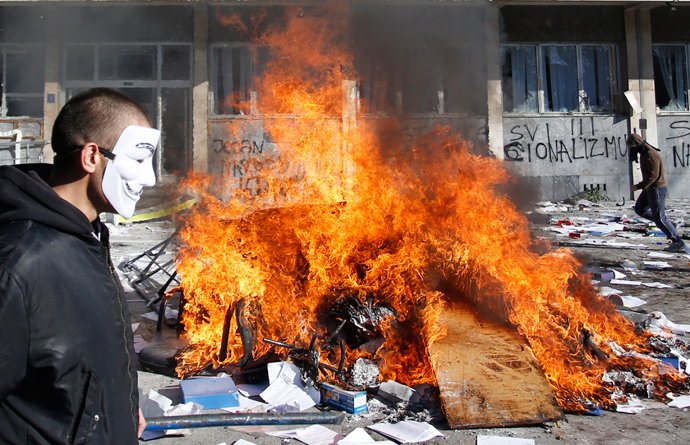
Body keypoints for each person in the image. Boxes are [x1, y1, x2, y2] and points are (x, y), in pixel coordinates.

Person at [0, 88, 161, 443]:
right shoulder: (19, 263)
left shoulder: (88, 239)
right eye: (138, 159)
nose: (149, 179)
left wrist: (118, 406)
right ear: (91, 157)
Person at [628, 133, 686, 253]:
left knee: (659, 217)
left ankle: (678, 242)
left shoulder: (650, 154)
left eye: (632, 146)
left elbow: (653, 176)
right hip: (649, 189)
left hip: (656, 189)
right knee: (640, 209)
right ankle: (668, 224)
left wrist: (638, 186)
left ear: (636, 144)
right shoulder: (644, 152)